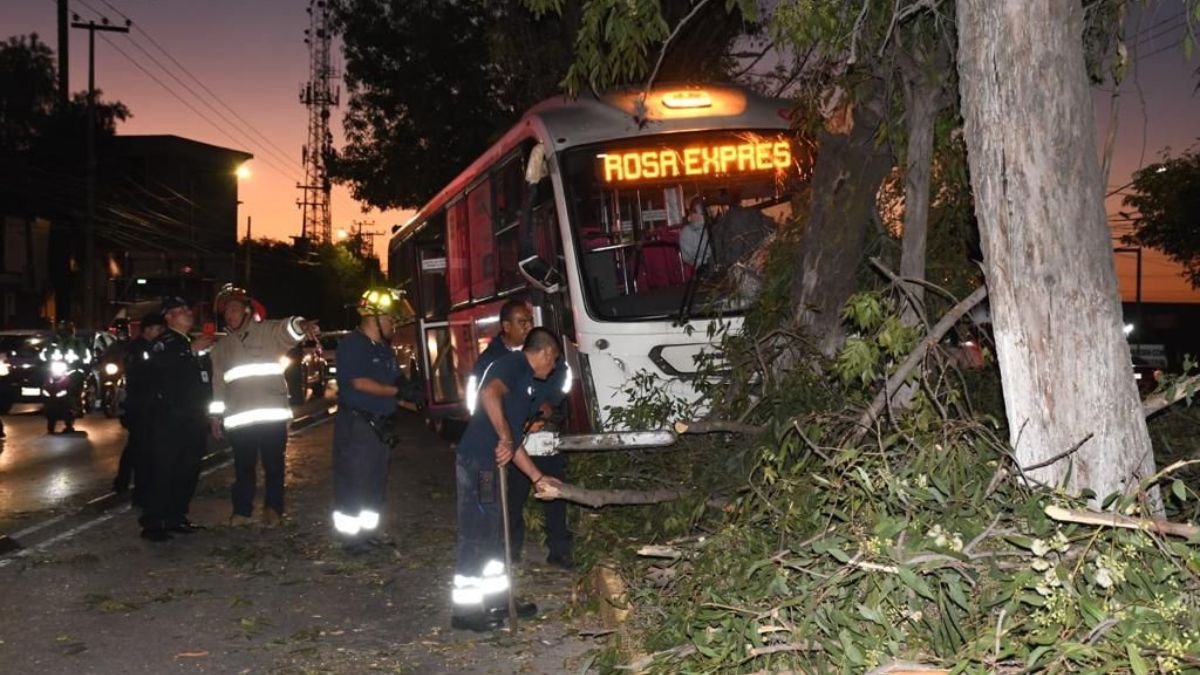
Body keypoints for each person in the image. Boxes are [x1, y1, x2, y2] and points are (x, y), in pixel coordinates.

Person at [451, 327, 563, 632]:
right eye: (554, 360)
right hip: (480, 465)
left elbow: (512, 443)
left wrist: (537, 477)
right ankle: (465, 611)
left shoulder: (526, 381)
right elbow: (488, 393)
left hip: (491, 464)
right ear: (545, 352)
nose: (553, 367)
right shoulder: (513, 364)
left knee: (495, 535)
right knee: (478, 533)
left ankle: (498, 600)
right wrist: (503, 436)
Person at [468, 299, 573, 569]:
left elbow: (560, 379)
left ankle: (558, 549)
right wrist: (510, 432)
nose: (527, 326)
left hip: (535, 437)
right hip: (498, 446)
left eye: (529, 321)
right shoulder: (495, 360)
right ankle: (504, 554)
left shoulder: (541, 354)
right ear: (506, 326)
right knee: (506, 501)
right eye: (521, 322)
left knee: (552, 488)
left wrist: (549, 404)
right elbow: (485, 396)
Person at [208, 283, 318, 527]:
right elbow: (218, 385)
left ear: (247, 311)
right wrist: (216, 417)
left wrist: (302, 325)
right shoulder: (221, 348)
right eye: (227, 311)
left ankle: (273, 510)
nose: (230, 315)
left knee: (274, 465)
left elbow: (288, 328)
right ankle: (242, 511)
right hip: (239, 419)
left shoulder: (267, 332)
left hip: (271, 417)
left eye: (235, 309)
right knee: (243, 468)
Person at [331, 287, 416, 553]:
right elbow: (359, 383)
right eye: (390, 319)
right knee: (355, 483)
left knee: (375, 483)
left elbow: (392, 380)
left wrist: (410, 395)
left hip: (380, 425)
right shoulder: (353, 345)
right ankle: (352, 540)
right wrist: (396, 391)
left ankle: (368, 534)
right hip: (358, 425)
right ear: (374, 318)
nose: (393, 324)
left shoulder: (383, 348)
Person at [138, 297, 214, 542]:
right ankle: (153, 522)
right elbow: (158, 366)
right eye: (180, 310)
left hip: (193, 416)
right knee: (164, 469)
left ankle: (176, 517)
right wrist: (189, 351)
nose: (188, 312)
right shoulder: (166, 342)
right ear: (169, 317)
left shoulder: (190, 341)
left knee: (187, 469)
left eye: (187, 308)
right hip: (170, 418)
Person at [112, 312, 166, 502]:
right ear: (147, 330)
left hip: (143, 404)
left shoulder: (146, 347)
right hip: (140, 405)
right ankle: (137, 489)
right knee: (141, 447)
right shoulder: (138, 349)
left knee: (136, 445)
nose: (160, 333)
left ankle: (124, 481)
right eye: (158, 329)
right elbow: (142, 375)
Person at [41, 319, 92, 434]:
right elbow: (44, 354)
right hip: (57, 370)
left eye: (66, 331)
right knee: (46, 384)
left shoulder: (78, 343)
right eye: (61, 330)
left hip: (72, 370)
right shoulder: (53, 343)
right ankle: (48, 409)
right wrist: (44, 359)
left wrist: (82, 362)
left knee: (76, 385)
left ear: (71, 331)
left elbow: (86, 356)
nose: (63, 333)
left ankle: (76, 407)